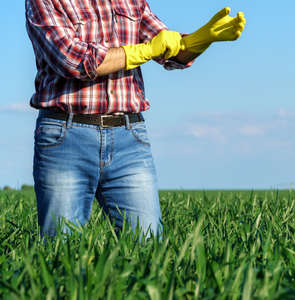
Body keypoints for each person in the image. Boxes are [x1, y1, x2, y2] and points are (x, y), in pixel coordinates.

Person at [25, 0, 246, 238]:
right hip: (66, 136)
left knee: (146, 244)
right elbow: (72, 60)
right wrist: (145, 50)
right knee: (62, 244)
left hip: (129, 137)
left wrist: (199, 40)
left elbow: (169, 49)